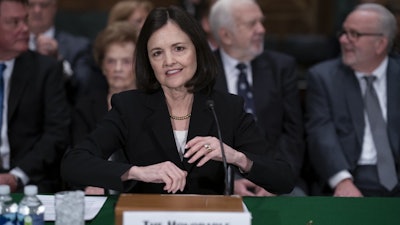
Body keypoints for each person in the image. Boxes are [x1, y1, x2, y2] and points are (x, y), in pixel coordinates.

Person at [61, 5, 295, 195]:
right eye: (157, 53)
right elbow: (73, 164)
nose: (169, 61)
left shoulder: (226, 107)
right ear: (148, 62)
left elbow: (283, 178)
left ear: (197, 50)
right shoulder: (129, 106)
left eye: (179, 48)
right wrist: (136, 172)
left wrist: (235, 157)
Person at [209, 0, 305, 196]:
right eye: (252, 24)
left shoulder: (281, 67)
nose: (261, 29)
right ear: (225, 35)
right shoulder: (203, 71)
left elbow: (293, 134)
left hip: (276, 174)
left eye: (261, 22)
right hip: (220, 180)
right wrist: (228, 182)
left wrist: (272, 178)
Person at [306, 3, 400, 197]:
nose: (343, 40)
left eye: (354, 34)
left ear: (380, 44)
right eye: (343, 32)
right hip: (350, 176)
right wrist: (342, 180)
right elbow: (321, 133)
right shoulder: (324, 77)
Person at [0, 0, 70, 193]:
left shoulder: (46, 70)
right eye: (14, 22)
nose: (25, 29)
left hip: (31, 182)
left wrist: (17, 176)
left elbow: (57, 134)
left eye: (25, 20)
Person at [71, 22, 138, 195]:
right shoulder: (86, 107)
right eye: (111, 61)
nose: (117, 69)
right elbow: (78, 157)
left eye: (125, 62)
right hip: (95, 192)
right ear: (102, 66)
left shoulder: (152, 105)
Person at [27, 0, 92, 104]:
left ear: (54, 7)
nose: (37, 10)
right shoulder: (10, 45)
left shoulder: (77, 47)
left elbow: (84, 89)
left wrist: (58, 61)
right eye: (30, 5)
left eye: (44, 5)